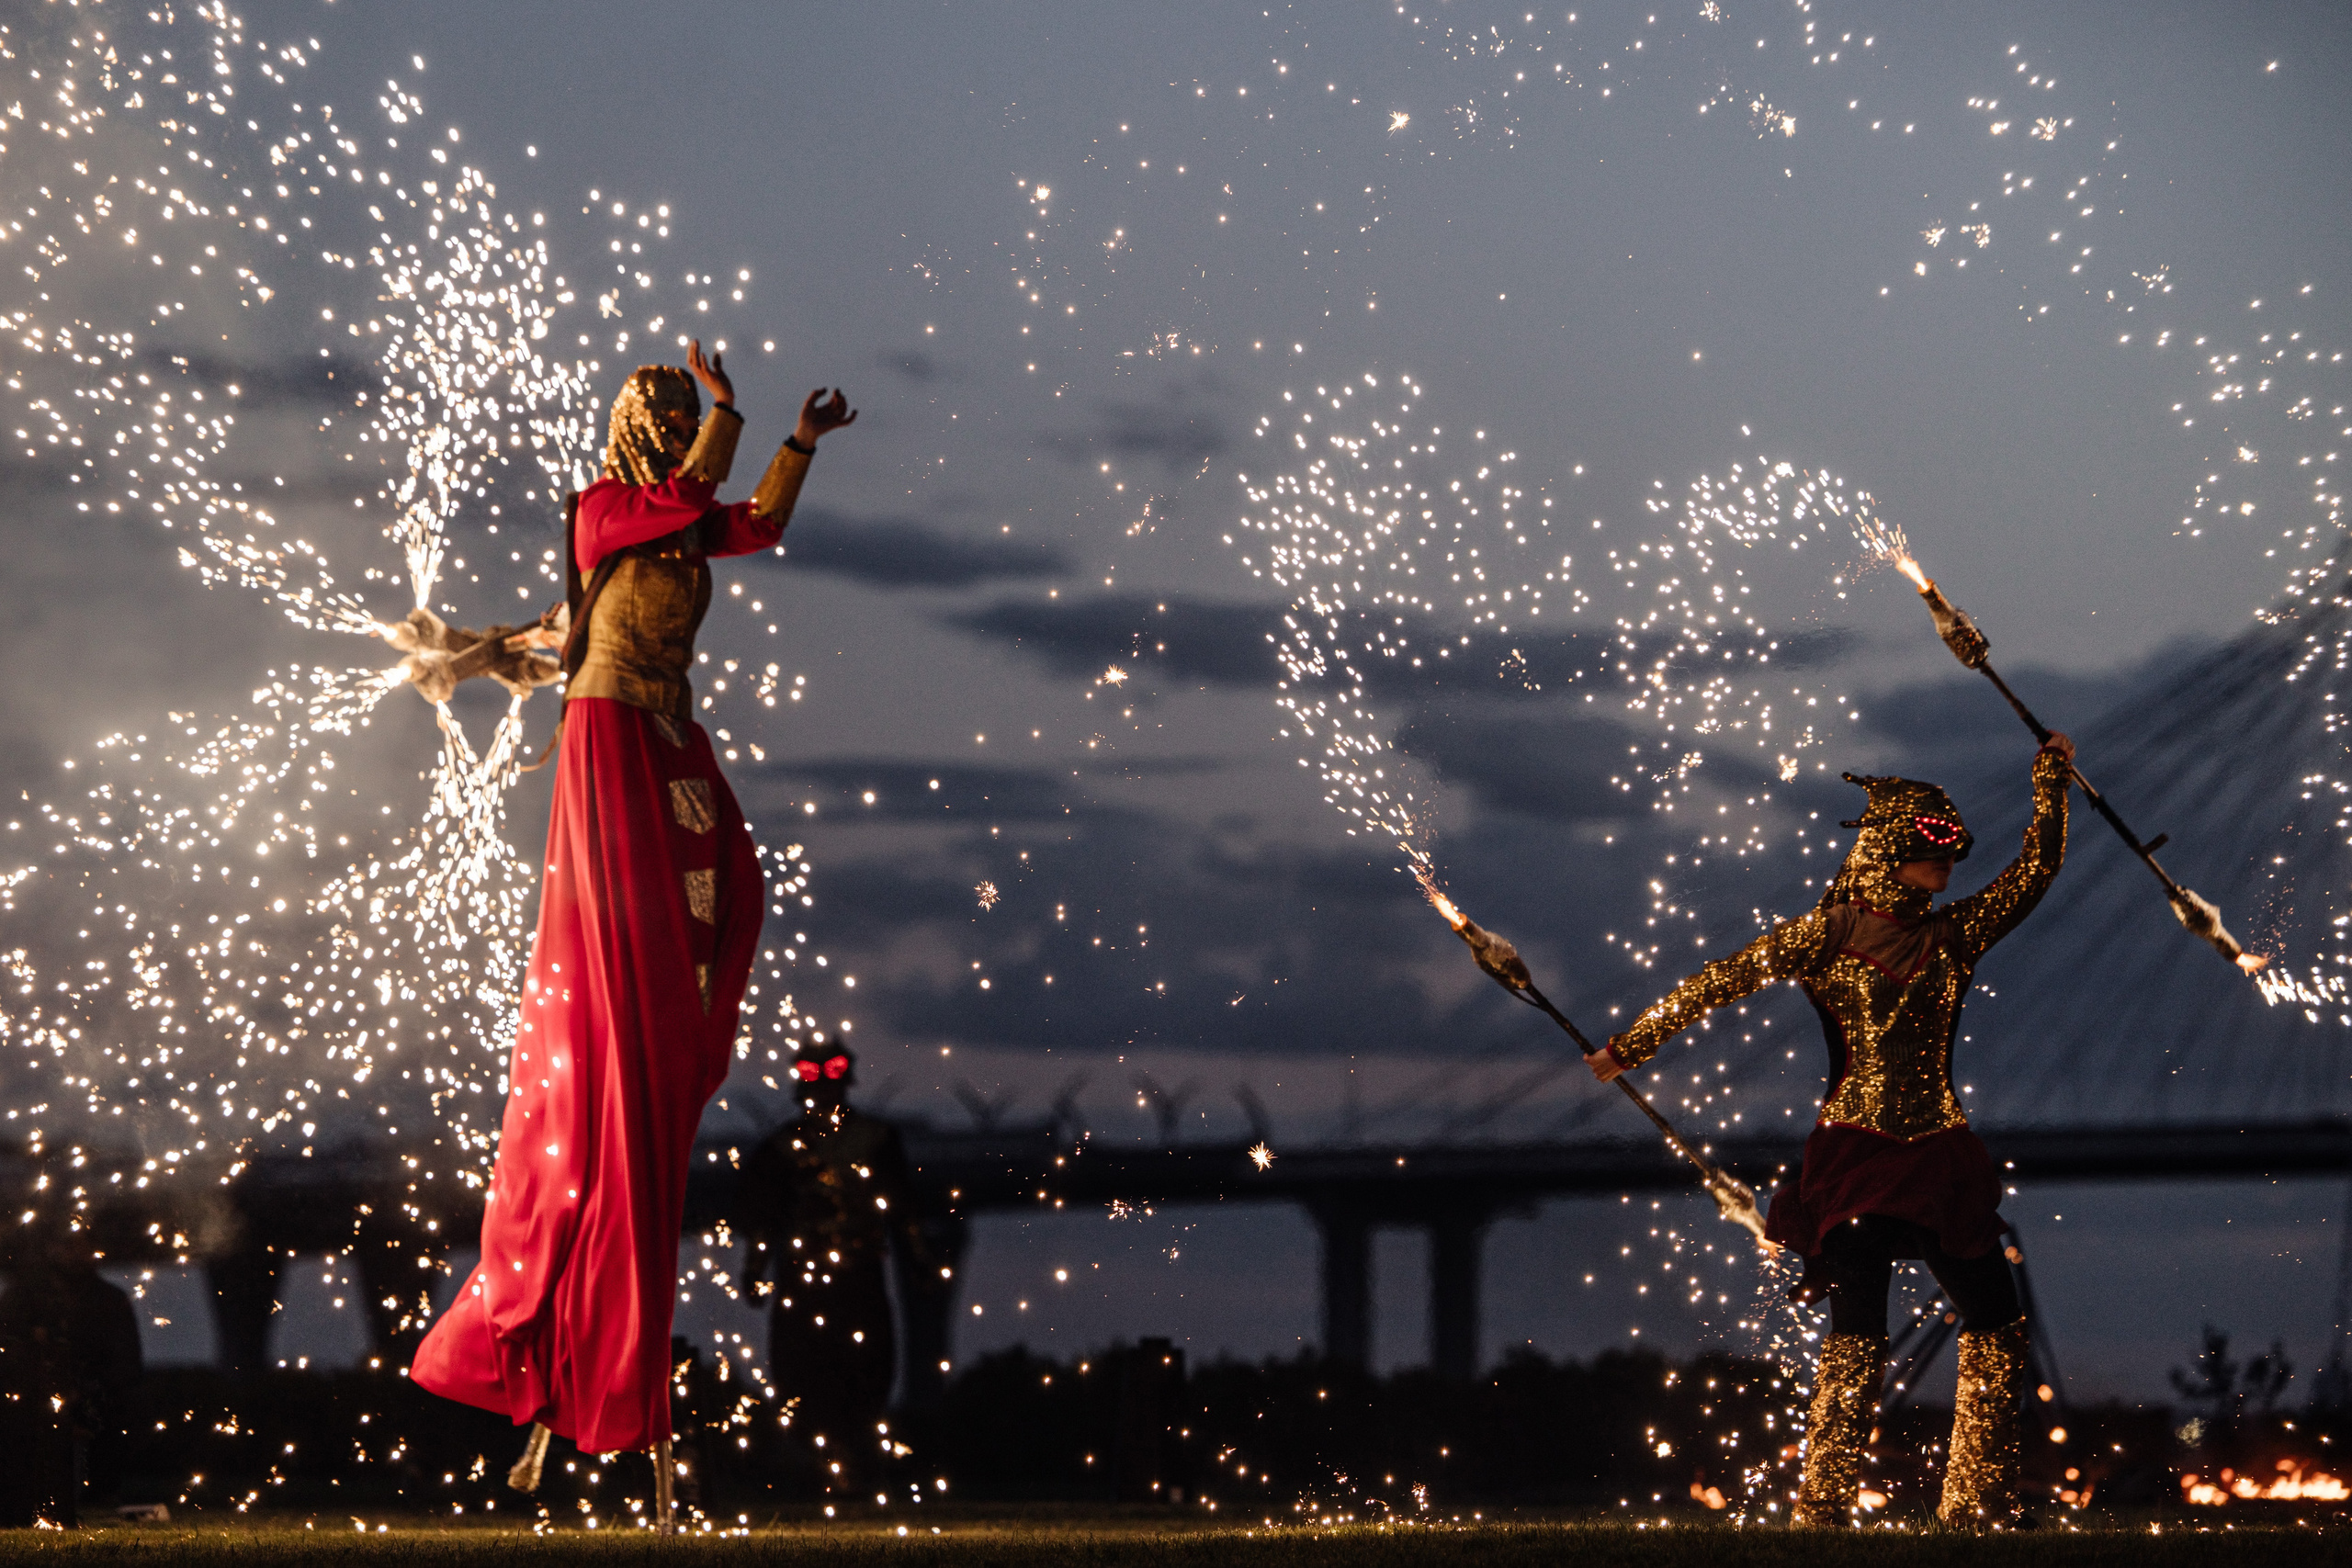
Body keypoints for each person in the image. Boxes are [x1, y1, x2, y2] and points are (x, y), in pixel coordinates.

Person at [411, 343, 855, 1525]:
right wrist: (727, 411)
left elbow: (751, 523)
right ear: (633, 427)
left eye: (679, 415)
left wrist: (797, 445)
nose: (670, 430)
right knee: (625, 1000)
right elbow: (682, 506)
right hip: (609, 750)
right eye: (660, 414)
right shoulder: (607, 510)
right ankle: (555, 1341)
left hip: (666, 743)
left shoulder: (667, 523)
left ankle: (652, 1081)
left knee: (731, 901)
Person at [1589, 734, 2074, 1529]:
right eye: (1928, 856)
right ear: (1889, 855)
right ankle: (1822, 1510)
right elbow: (1721, 979)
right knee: (1860, 1329)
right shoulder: (1826, 934)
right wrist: (1630, 1047)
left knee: (1996, 1316)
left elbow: (2036, 871)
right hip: (1856, 1156)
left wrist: (2049, 778)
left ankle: (1974, 1503)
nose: (1945, 870)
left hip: (1940, 1154)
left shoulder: (1954, 936)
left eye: (1948, 857)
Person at [737, 1040, 939, 1499]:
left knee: (862, 1368)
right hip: (809, 1277)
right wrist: (754, 1268)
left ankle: (854, 1463)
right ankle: (819, 1465)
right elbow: (764, 1218)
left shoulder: (872, 1141)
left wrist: (921, 1259)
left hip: (855, 1274)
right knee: (804, 1369)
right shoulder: (785, 1148)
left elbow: (902, 1211)